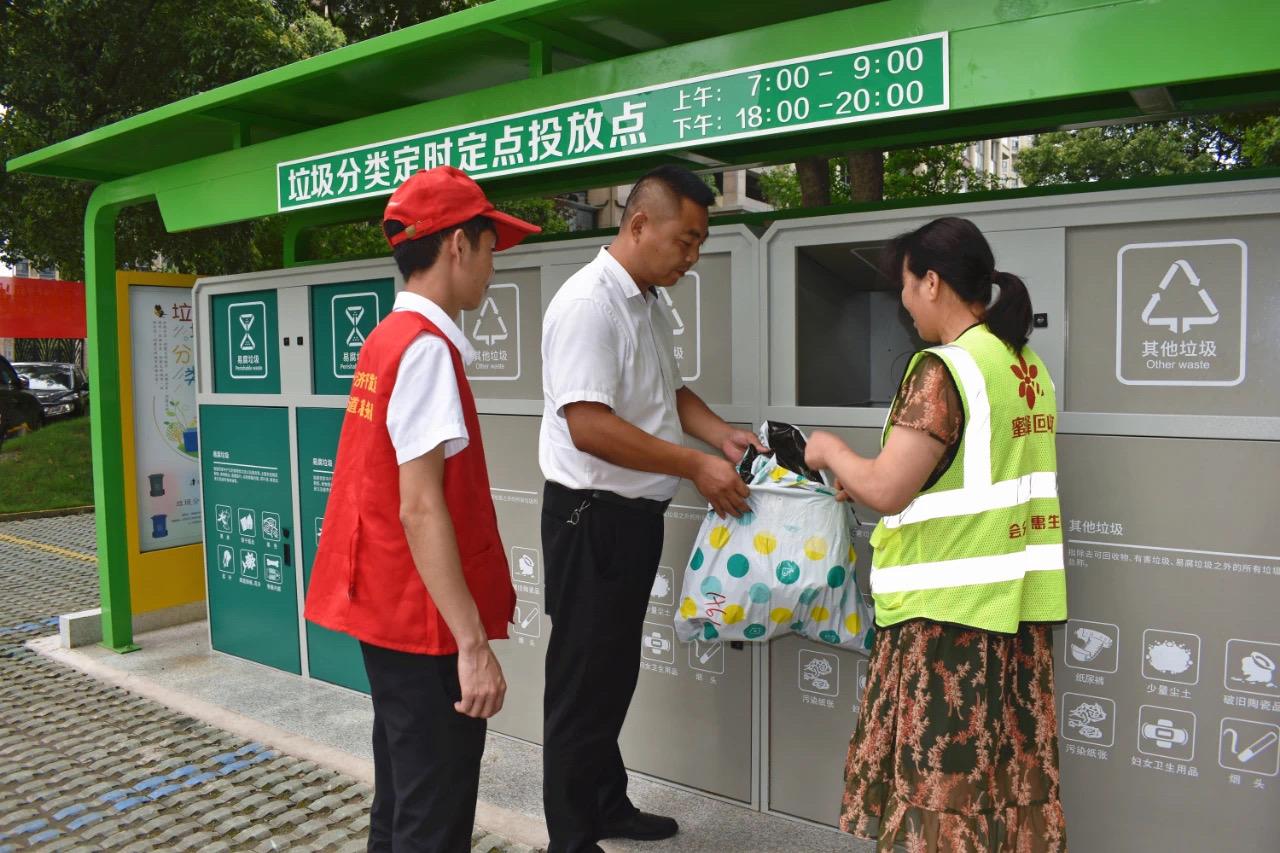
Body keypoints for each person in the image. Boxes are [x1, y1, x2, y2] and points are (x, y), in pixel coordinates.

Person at [803, 217, 1068, 853]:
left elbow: (890, 487)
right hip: (1016, 618)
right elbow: (963, 476)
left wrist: (832, 452)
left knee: (942, 800)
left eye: (904, 284)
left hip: (948, 627)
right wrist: (870, 482)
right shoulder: (1021, 365)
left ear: (932, 281)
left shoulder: (943, 369)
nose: (901, 300)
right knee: (1005, 791)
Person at [304, 166, 540, 852]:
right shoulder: (429, 352)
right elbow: (421, 508)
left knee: (404, 801)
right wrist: (473, 647)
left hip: (388, 612)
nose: (496, 267)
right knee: (433, 820)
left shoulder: (386, 339)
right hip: (426, 627)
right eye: (492, 247)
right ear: (458, 245)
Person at [538, 165, 763, 853]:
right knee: (582, 682)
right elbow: (589, 425)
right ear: (639, 225)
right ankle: (570, 839)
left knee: (612, 672)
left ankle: (606, 802)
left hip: (629, 518)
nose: (692, 257)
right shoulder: (589, 304)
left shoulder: (647, 300)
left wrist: (718, 433)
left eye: (698, 243)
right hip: (590, 517)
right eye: (685, 240)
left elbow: (670, 391)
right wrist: (696, 464)